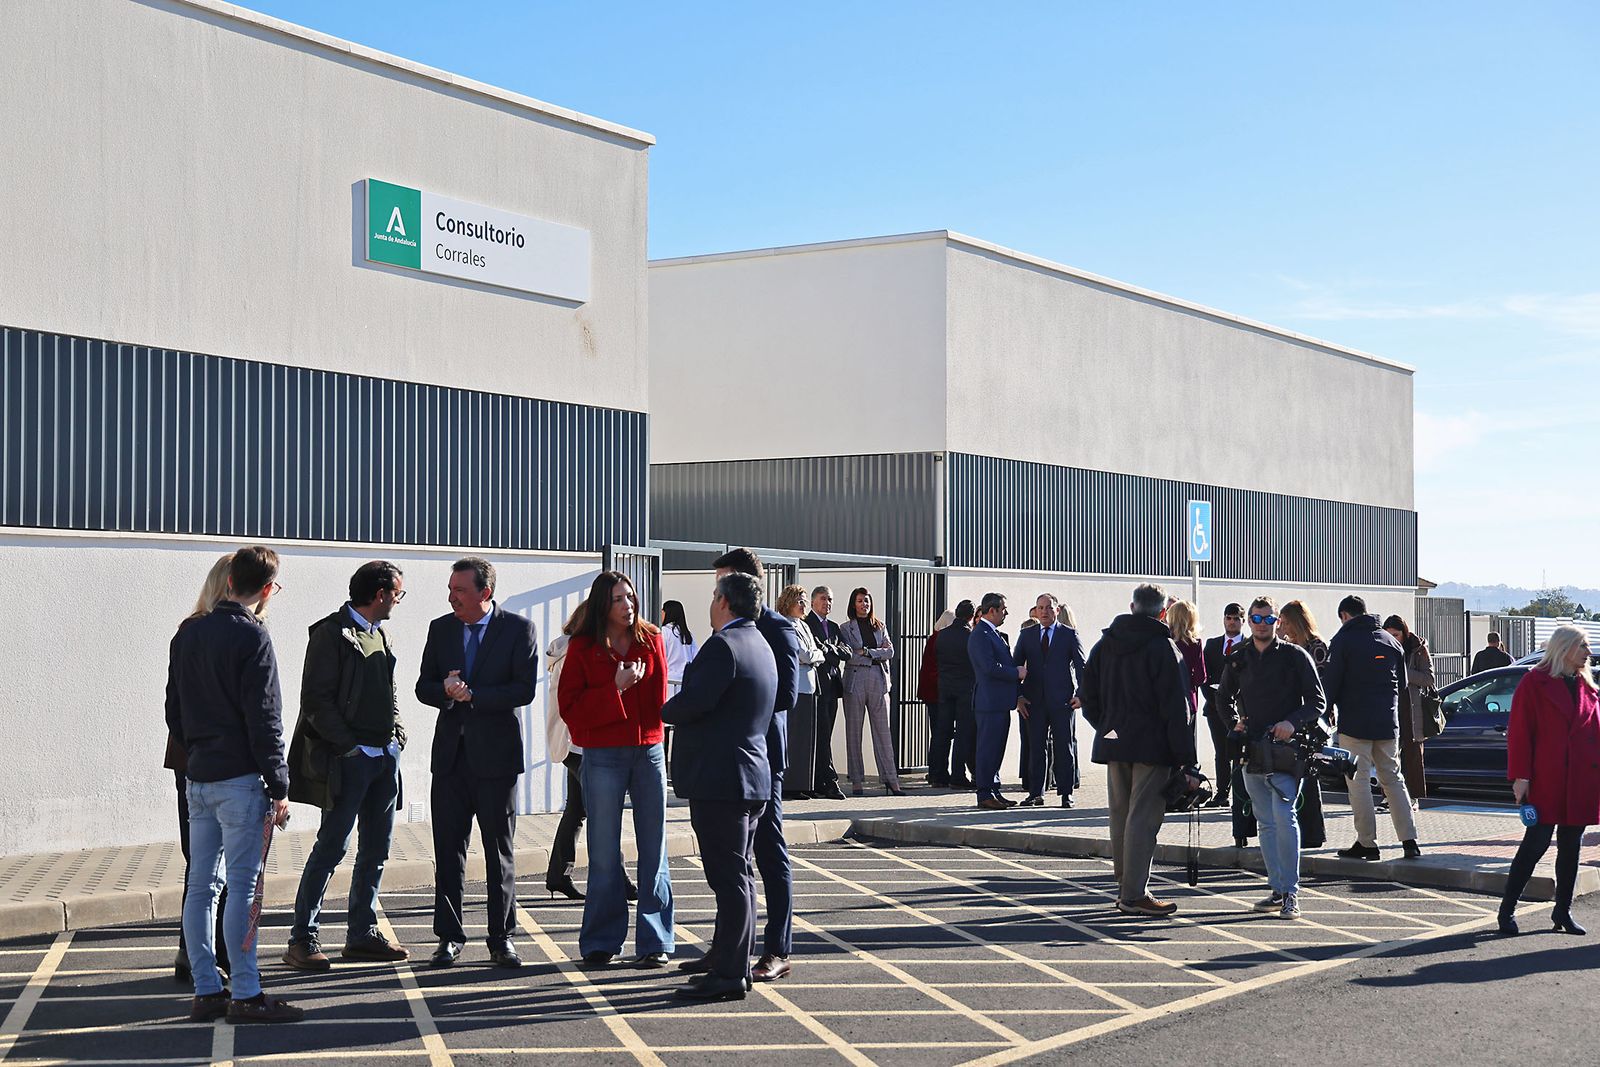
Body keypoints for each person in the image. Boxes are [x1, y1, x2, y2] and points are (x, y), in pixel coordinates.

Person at [165, 545, 302, 1024]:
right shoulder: (253, 635)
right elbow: (265, 718)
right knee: (243, 889)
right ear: (266, 589)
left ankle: (207, 989)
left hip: (199, 777)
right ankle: (245, 991)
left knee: (201, 886)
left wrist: (200, 748)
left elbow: (174, 712)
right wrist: (280, 785)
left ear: (228, 581)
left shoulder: (189, 632)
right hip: (241, 780)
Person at [282, 561, 410, 972]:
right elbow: (315, 701)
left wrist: (397, 736)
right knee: (331, 848)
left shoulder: (380, 634)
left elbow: (389, 692)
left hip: (383, 760)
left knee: (376, 849)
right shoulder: (331, 634)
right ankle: (302, 939)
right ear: (380, 594)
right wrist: (351, 748)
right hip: (349, 763)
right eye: (397, 594)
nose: (398, 601)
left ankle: (362, 935)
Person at [416, 557, 537, 969]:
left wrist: (476, 696)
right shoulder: (441, 628)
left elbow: (523, 689)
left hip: (497, 760)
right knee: (448, 851)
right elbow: (423, 686)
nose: (452, 597)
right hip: (451, 759)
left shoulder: (518, 629)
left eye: (460, 590)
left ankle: (502, 938)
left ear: (485, 592)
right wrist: (446, 690)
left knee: (498, 851)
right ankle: (449, 937)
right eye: (451, 589)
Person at [662, 572, 778, 1001]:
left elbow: (695, 702)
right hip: (749, 776)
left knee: (729, 879)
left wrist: (659, 707)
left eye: (715, 596)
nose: (711, 603)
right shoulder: (758, 642)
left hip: (722, 779)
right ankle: (733, 964)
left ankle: (730, 974)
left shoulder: (723, 645)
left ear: (725, 602)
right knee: (739, 876)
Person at [558, 571, 673, 968]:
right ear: (602, 606)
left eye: (630, 597)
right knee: (604, 851)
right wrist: (616, 688)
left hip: (648, 753)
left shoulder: (652, 638)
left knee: (654, 848)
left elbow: (660, 700)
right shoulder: (582, 646)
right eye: (618, 599)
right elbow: (570, 709)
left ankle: (656, 941)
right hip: (602, 755)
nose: (628, 605)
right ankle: (601, 941)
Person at [1078, 584, 1194, 917]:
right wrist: (1186, 759)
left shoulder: (1105, 644)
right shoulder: (1164, 648)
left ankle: (1125, 885)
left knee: (1120, 815)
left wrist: (1107, 726)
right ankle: (1134, 893)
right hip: (1153, 747)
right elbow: (1177, 709)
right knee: (1143, 819)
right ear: (1163, 612)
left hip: (1115, 742)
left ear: (1132, 606)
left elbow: (1088, 695)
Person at [713, 549, 800, 983]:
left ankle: (777, 950)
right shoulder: (725, 628)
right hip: (731, 757)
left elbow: (787, 695)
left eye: (721, 581)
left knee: (769, 852)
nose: (716, 592)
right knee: (732, 861)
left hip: (763, 756)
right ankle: (727, 950)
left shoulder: (777, 627)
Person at [1218, 596, 1326, 921]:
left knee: (1284, 815)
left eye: (1268, 619)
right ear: (1249, 620)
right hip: (1252, 750)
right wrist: (1233, 724)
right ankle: (1277, 889)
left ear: (1278, 622)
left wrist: (1292, 722)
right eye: (1256, 618)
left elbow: (1317, 702)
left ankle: (1291, 892)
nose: (1262, 624)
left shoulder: (1295, 656)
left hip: (1286, 752)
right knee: (1265, 822)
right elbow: (1222, 698)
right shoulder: (1238, 658)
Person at [1498, 625, 1599, 936]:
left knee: (1572, 847)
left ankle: (1562, 912)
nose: (1588, 652)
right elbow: (1520, 733)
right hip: (1546, 777)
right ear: (1564, 648)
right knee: (1536, 843)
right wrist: (1521, 777)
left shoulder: (1587, 686)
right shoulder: (1534, 682)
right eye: (1583, 646)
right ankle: (1507, 910)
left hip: (1581, 779)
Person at [165, 553, 236, 986]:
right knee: (212, 864)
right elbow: (177, 705)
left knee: (206, 864)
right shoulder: (204, 631)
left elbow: (173, 708)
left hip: (194, 758)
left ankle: (193, 953)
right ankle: (206, 956)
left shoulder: (190, 630)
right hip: (208, 762)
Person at [544, 603, 640, 904]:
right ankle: (619, 879)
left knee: (577, 810)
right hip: (581, 743)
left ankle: (558, 875)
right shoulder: (576, 652)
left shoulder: (566, 649)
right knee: (604, 811)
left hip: (573, 743)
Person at [1323, 595, 1420, 861]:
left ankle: (1367, 843)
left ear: (1344, 615)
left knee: (1359, 781)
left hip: (1354, 723)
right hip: (1387, 723)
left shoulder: (1342, 640)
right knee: (1393, 778)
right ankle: (1409, 840)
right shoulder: (1390, 641)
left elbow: (1331, 684)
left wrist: (1324, 713)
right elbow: (1402, 684)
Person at [1012, 594, 1087, 808]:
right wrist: (1018, 697)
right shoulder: (1027, 635)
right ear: (1036, 611)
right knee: (1036, 748)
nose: (1044, 611)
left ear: (1057, 610)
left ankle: (1066, 793)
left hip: (1062, 701)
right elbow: (1015, 666)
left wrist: (1082, 694)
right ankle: (1036, 793)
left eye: (1048, 607)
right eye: (1040, 608)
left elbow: (1081, 666)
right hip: (1033, 702)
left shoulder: (1069, 634)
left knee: (1064, 747)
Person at [1273, 600, 1329, 850]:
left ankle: (1312, 834)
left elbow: (1320, 689)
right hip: (1293, 719)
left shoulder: (1316, 647)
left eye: (1285, 622)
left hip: (1310, 721)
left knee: (1308, 776)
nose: (1282, 627)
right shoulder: (1289, 647)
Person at [841, 588, 904, 797]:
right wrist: (874, 654)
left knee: (883, 732)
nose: (864, 604)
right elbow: (849, 655)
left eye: (866, 601)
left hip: (879, 679)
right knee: (854, 732)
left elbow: (890, 651)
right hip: (855, 680)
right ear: (854, 604)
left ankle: (891, 779)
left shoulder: (880, 626)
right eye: (860, 601)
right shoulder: (845, 628)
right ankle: (856, 780)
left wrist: (867, 652)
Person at [968, 593, 1025, 809]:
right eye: (1003, 609)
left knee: (997, 749)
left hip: (999, 702)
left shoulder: (993, 633)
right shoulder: (981, 634)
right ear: (992, 610)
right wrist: (1016, 673)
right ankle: (984, 793)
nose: (1006, 613)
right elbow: (989, 667)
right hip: (989, 702)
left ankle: (993, 789)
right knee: (987, 749)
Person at [779, 584, 827, 798]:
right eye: (799, 601)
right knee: (795, 738)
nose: (803, 605)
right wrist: (814, 656)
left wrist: (814, 656)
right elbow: (804, 654)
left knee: (807, 740)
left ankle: (804, 783)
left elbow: (816, 651)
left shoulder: (804, 626)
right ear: (788, 602)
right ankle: (790, 785)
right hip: (796, 686)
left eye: (805, 601)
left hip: (810, 686)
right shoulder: (786, 625)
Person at [1200, 604, 1247, 808]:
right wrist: (1217, 703)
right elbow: (1203, 678)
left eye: (1236, 618)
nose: (1232, 622)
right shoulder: (1212, 645)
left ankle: (1240, 794)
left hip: (1242, 711)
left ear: (1243, 621)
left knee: (1240, 753)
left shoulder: (1249, 646)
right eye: (1228, 618)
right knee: (1221, 752)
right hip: (1215, 708)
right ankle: (1221, 794)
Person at [804, 587, 849, 800]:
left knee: (827, 735)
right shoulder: (807, 624)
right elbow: (818, 653)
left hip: (832, 687)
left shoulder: (833, 627)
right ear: (813, 602)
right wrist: (832, 652)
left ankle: (820, 780)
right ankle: (827, 781)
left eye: (830, 599)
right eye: (823, 599)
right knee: (819, 736)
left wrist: (830, 649)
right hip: (817, 687)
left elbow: (846, 653)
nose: (827, 603)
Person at [1384, 615, 1433, 799]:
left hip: (1411, 706)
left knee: (1413, 756)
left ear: (1404, 633)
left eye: (1396, 635)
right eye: (1389, 635)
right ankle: (1388, 796)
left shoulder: (1418, 649)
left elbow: (1429, 678)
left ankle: (1413, 797)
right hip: (1390, 706)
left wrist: (1403, 672)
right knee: (1388, 754)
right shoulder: (1382, 648)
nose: (1393, 639)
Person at [933, 600, 978, 789]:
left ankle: (938, 775)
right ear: (971, 616)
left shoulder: (942, 635)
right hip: (965, 689)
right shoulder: (971, 636)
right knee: (962, 733)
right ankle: (958, 776)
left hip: (945, 687)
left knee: (942, 732)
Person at [917, 611, 952, 783]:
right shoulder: (941, 639)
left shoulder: (934, 638)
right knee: (941, 734)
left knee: (938, 733)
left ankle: (936, 771)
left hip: (931, 692)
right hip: (938, 693)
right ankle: (938, 772)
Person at [1166, 599, 1207, 730]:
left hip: (1166, 700)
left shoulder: (1164, 641)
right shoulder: (1195, 643)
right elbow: (1201, 677)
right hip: (1188, 700)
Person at [661, 600, 700, 695]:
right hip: (685, 683)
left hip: (669, 682)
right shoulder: (688, 635)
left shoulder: (664, 632)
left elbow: (660, 657)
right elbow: (696, 659)